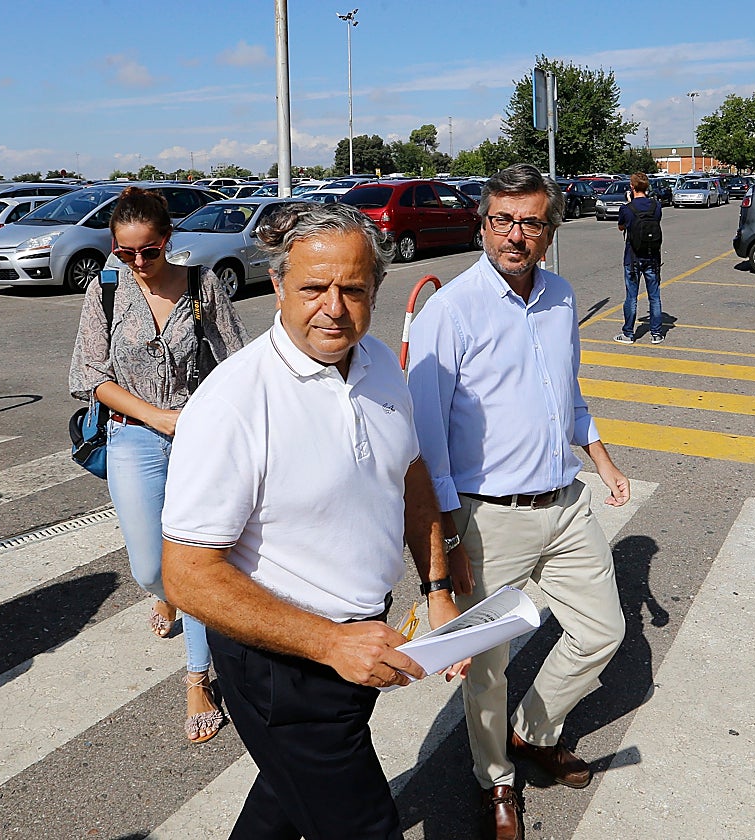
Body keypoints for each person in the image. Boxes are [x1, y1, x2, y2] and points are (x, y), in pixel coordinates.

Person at [160, 202, 466, 840]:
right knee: (363, 824)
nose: (334, 307)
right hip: (283, 664)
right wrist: (331, 642)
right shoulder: (234, 401)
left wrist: (437, 588)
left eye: (353, 288)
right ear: (276, 284)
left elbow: (407, 476)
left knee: (285, 793)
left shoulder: (380, 362)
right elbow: (188, 578)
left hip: (360, 638)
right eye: (313, 287)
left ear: (376, 288)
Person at [406, 163, 630, 840]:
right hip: (486, 516)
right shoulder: (452, 309)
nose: (515, 234)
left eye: (531, 221)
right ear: (482, 224)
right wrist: (445, 538)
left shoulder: (561, 296)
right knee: (489, 667)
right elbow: (427, 433)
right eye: (502, 219)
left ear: (550, 229)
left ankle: (532, 732)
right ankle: (496, 782)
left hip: (563, 503)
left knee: (603, 631)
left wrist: (602, 458)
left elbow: (568, 396)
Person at [69, 186, 248, 744]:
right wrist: (157, 416)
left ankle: (198, 679)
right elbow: (86, 377)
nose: (138, 264)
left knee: (192, 563)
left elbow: (237, 362)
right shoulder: (104, 293)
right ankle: (165, 595)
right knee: (151, 569)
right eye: (125, 253)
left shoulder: (202, 286)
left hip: (200, 442)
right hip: (133, 439)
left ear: (167, 241)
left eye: (148, 251)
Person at [614, 172, 664, 345]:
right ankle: (656, 333)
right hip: (652, 257)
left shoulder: (627, 209)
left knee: (631, 297)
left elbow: (621, 227)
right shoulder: (656, 206)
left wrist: (629, 203)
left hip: (632, 258)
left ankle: (628, 333)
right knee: (654, 296)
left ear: (632, 187)